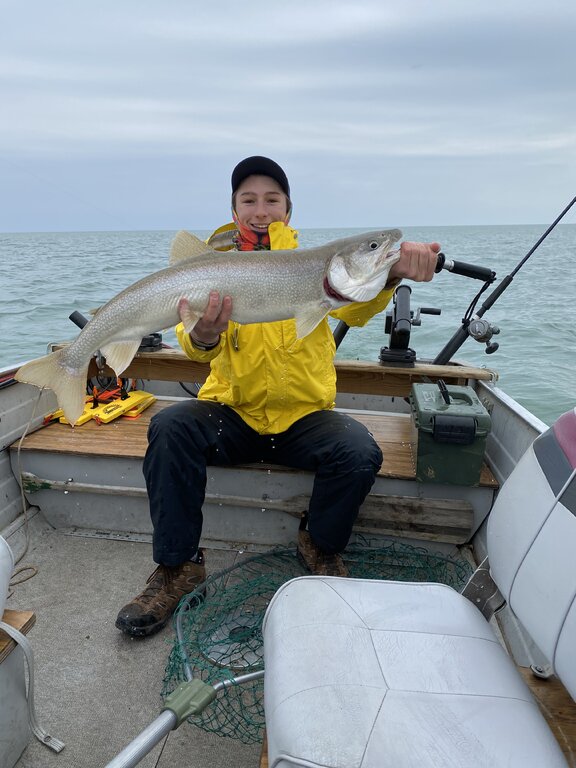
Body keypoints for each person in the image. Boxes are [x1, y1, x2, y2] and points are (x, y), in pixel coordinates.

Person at [116, 156, 440, 637]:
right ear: (234, 208)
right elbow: (194, 346)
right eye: (249, 199)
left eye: (272, 199)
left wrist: (393, 272)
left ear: (288, 209)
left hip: (303, 418)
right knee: (170, 426)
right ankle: (178, 568)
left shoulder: (318, 268)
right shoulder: (212, 268)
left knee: (357, 450)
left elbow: (359, 307)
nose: (261, 209)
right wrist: (205, 334)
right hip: (233, 413)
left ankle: (319, 545)